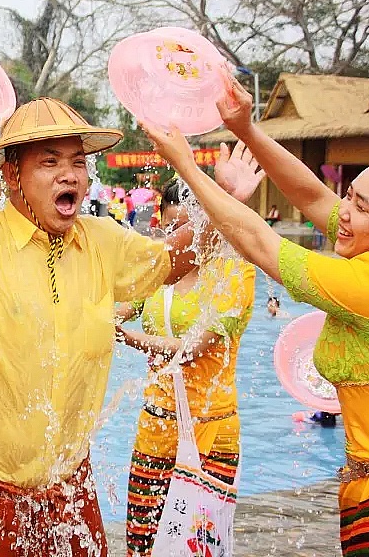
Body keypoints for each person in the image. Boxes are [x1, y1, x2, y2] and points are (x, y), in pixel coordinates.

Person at [0, 55, 257, 556]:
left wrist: (225, 197)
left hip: (70, 498)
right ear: (12, 174)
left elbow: (173, 260)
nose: (68, 175)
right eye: (49, 162)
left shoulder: (103, 241)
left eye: (77, 162)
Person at [140, 67, 369, 556]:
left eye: (361, 206)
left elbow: (258, 241)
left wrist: (187, 166)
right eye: (350, 195)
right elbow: (312, 194)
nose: (344, 212)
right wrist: (246, 130)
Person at [115, 177, 257, 557]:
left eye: (191, 227)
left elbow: (193, 348)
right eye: (174, 228)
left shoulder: (233, 274)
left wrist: (127, 337)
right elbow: (120, 309)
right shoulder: (159, 275)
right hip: (156, 427)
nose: (186, 239)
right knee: (141, 543)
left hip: (211, 431)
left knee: (199, 548)